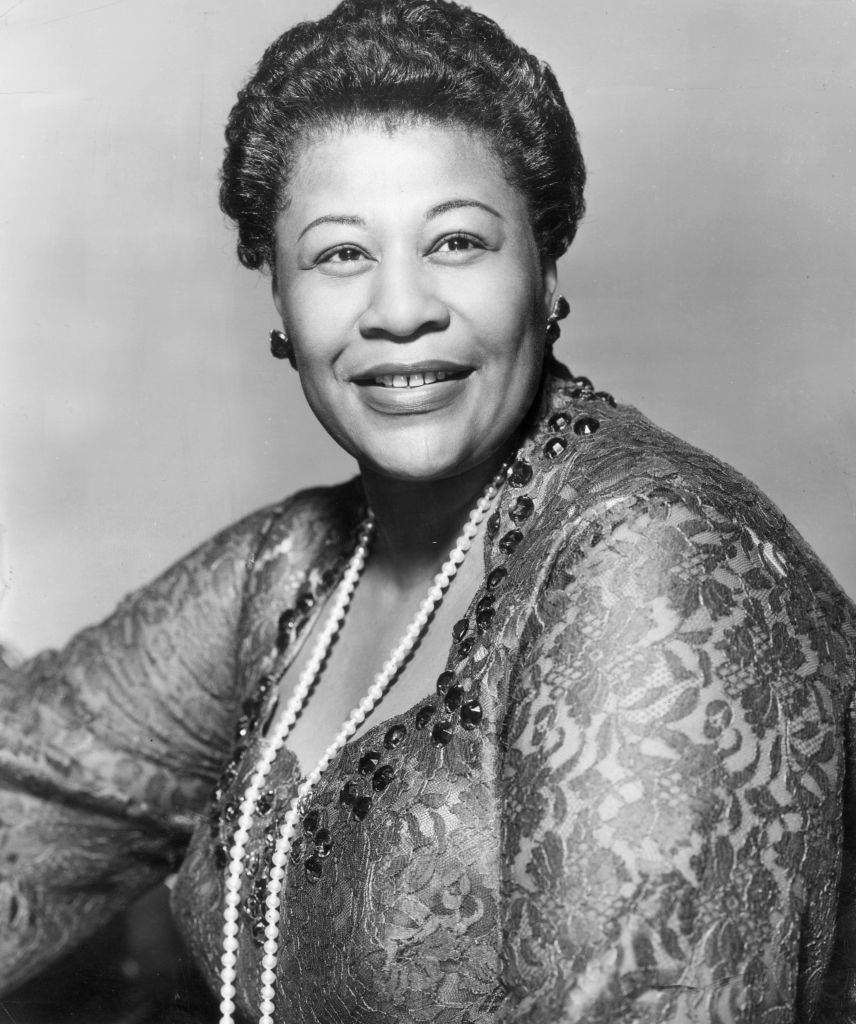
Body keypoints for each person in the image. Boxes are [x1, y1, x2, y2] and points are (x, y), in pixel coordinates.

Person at [1, 0, 854, 1021]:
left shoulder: (651, 557)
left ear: (544, 275)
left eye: (455, 241)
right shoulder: (299, 566)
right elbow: (34, 786)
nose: (400, 308)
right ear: (281, 307)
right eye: (340, 255)